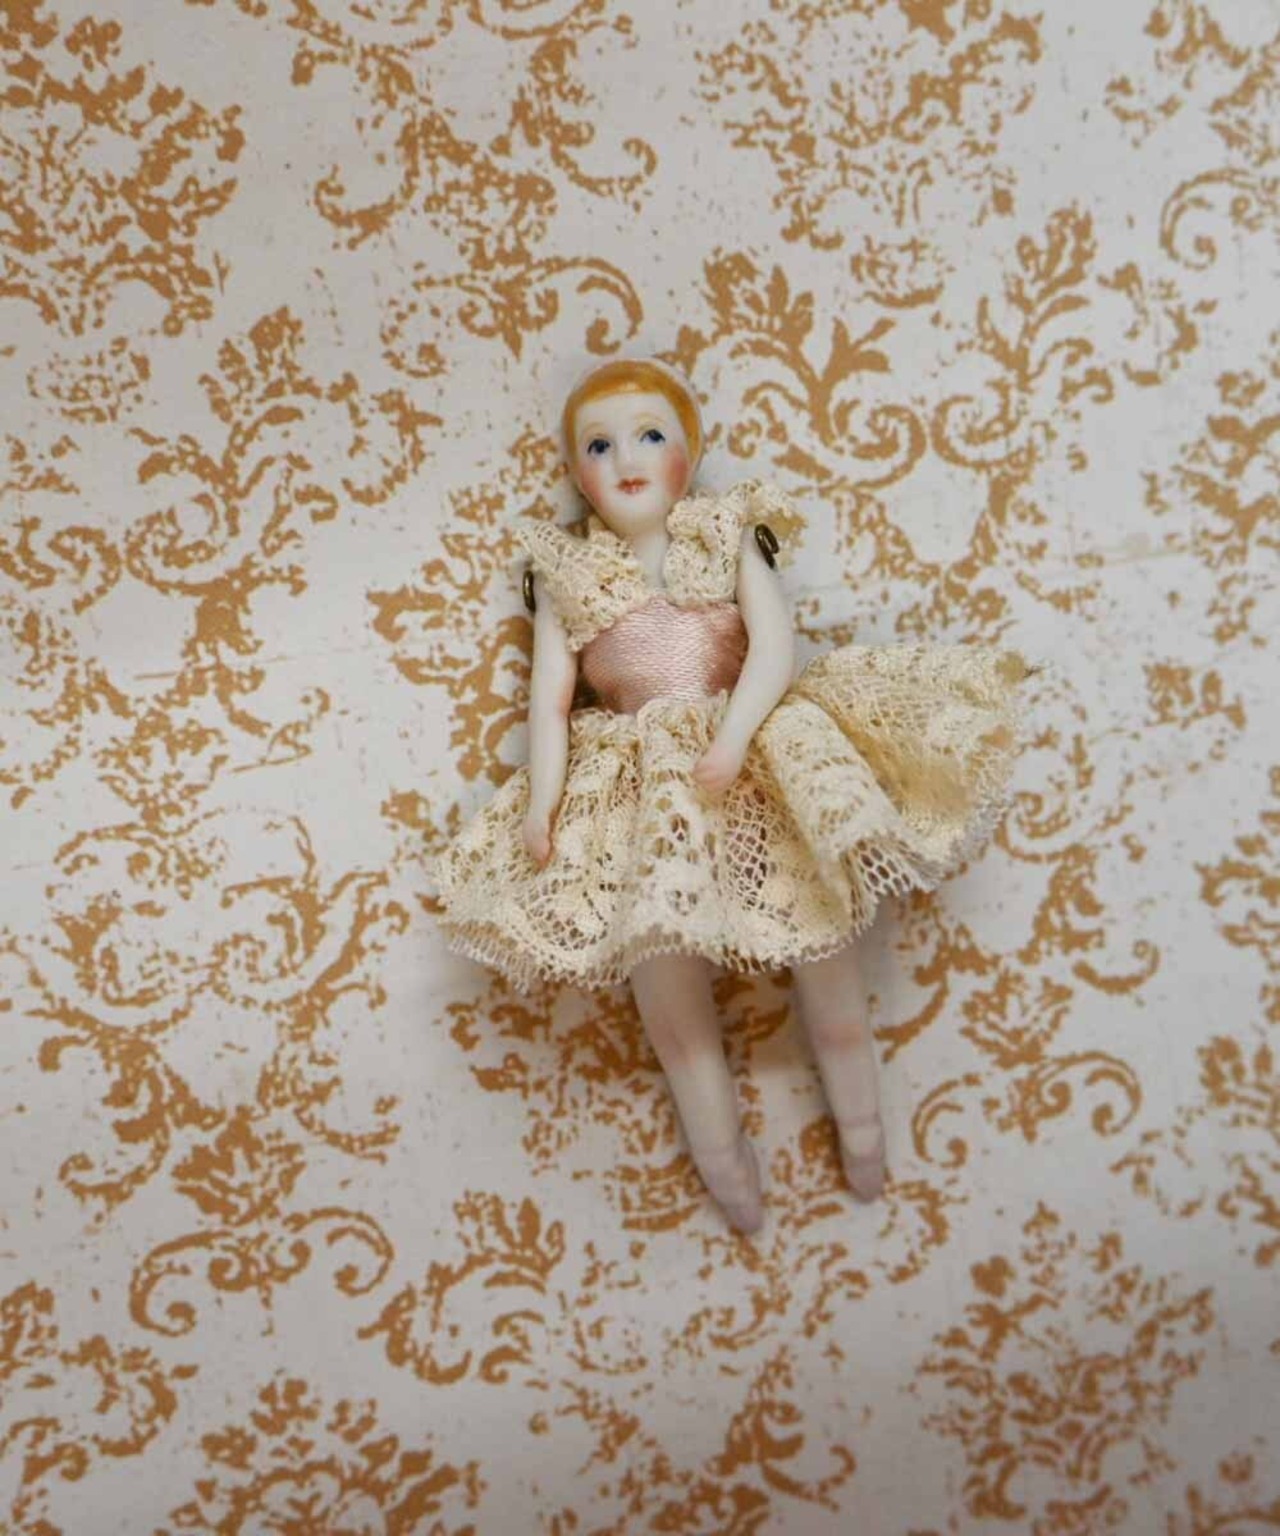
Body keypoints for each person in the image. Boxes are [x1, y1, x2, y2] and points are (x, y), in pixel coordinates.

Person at [432, 358, 1030, 1233]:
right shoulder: (567, 574)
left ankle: (863, 1130)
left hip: (755, 760)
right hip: (635, 787)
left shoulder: (725, 531)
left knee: (822, 946)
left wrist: (735, 736)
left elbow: (773, 648)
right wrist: (541, 806)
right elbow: (549, 705)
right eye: (598, 446)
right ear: (574, 472)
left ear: (692, 449)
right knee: (669, 997)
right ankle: (726, 1166)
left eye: (651, 435)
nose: (626, 459)